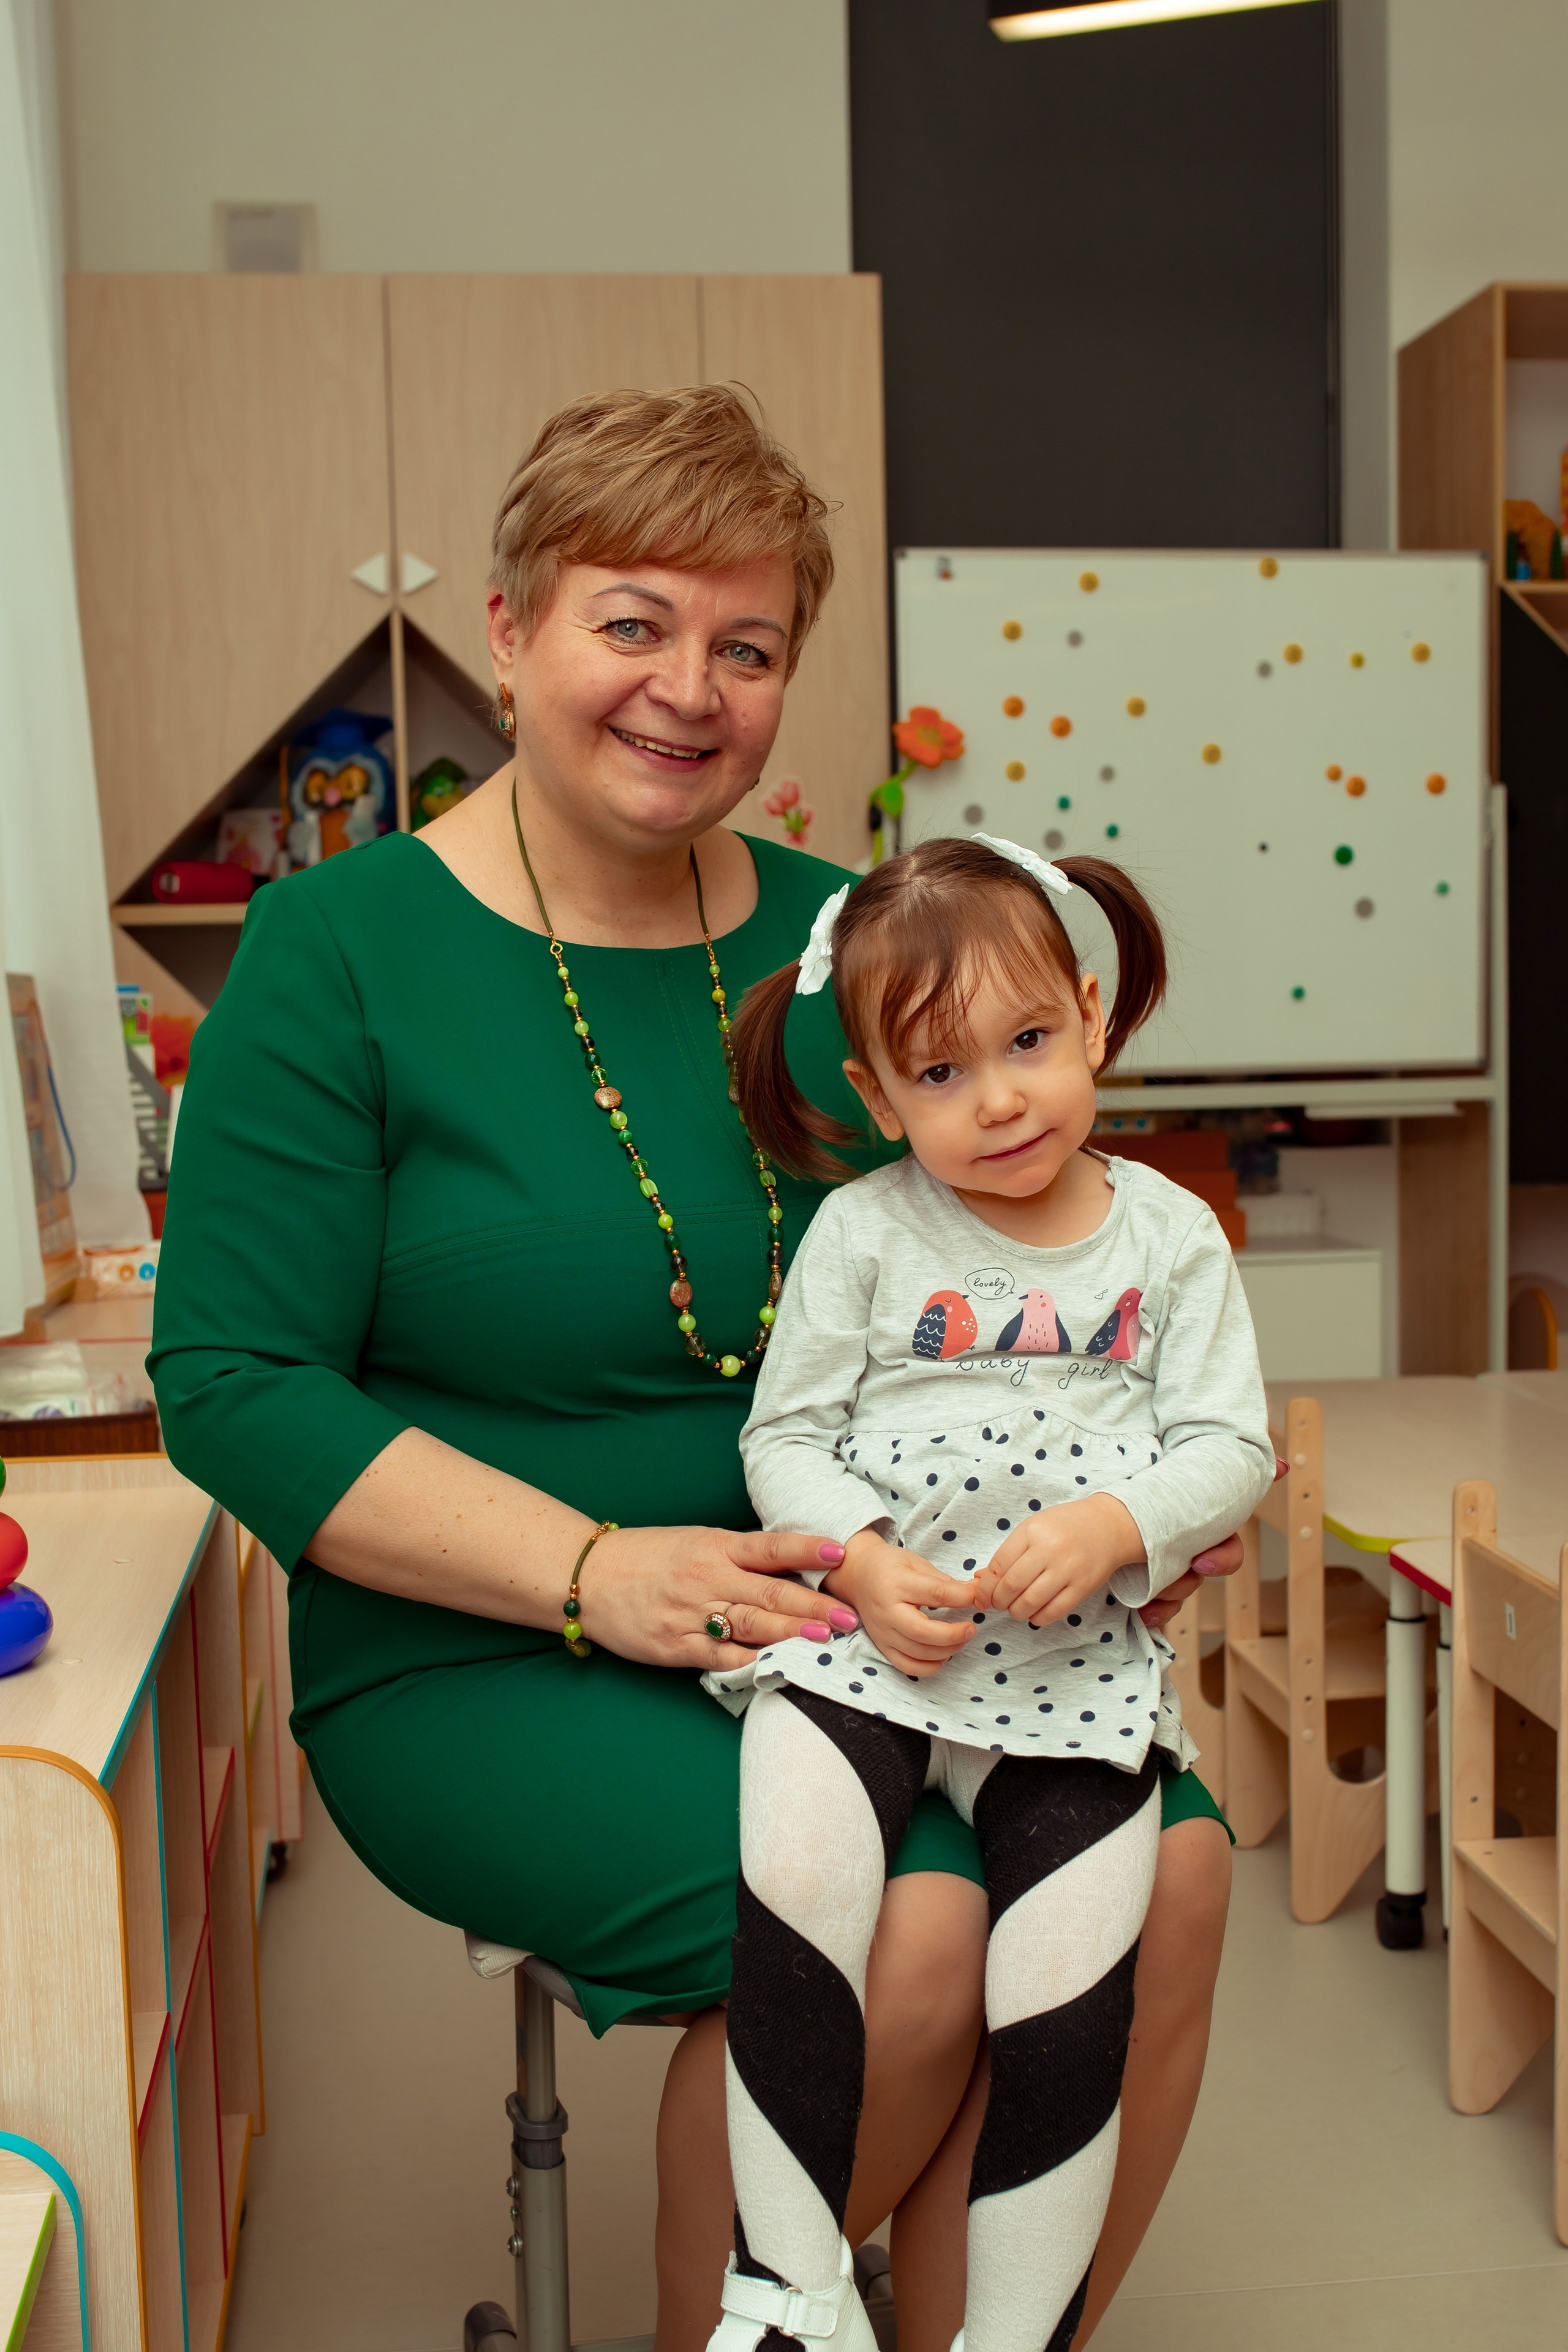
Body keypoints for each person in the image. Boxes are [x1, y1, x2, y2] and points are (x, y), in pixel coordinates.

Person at [150, 384, 1245, 2352]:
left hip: (891, 1607)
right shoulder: (334, 954)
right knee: (910, 1936)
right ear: (507, 629)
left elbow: (1068, 1250)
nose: (688, 689)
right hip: (489, 1635)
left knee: (1172, 1881)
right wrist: (596, 1567)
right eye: (630, 622)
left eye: (745, 647)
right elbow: (234, 1382)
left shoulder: (866, 956)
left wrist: (1144, 1485)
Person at [698, 835, 1273, 2352]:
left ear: (1089, 1017)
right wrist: (859, 1561)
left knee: (1067, 2003)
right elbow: (787, 1438)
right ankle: (783, 2291)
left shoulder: (1168, 1236)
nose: (1000, 1099)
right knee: (799, 1909)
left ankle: (1006, 2336)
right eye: (939, 1076)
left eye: (1026, 1044)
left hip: (1073, 1680)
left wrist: (1121, 1522)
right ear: (880, 1102)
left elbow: (1229, 1445)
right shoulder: (866, 1229)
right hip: (863, 1660)